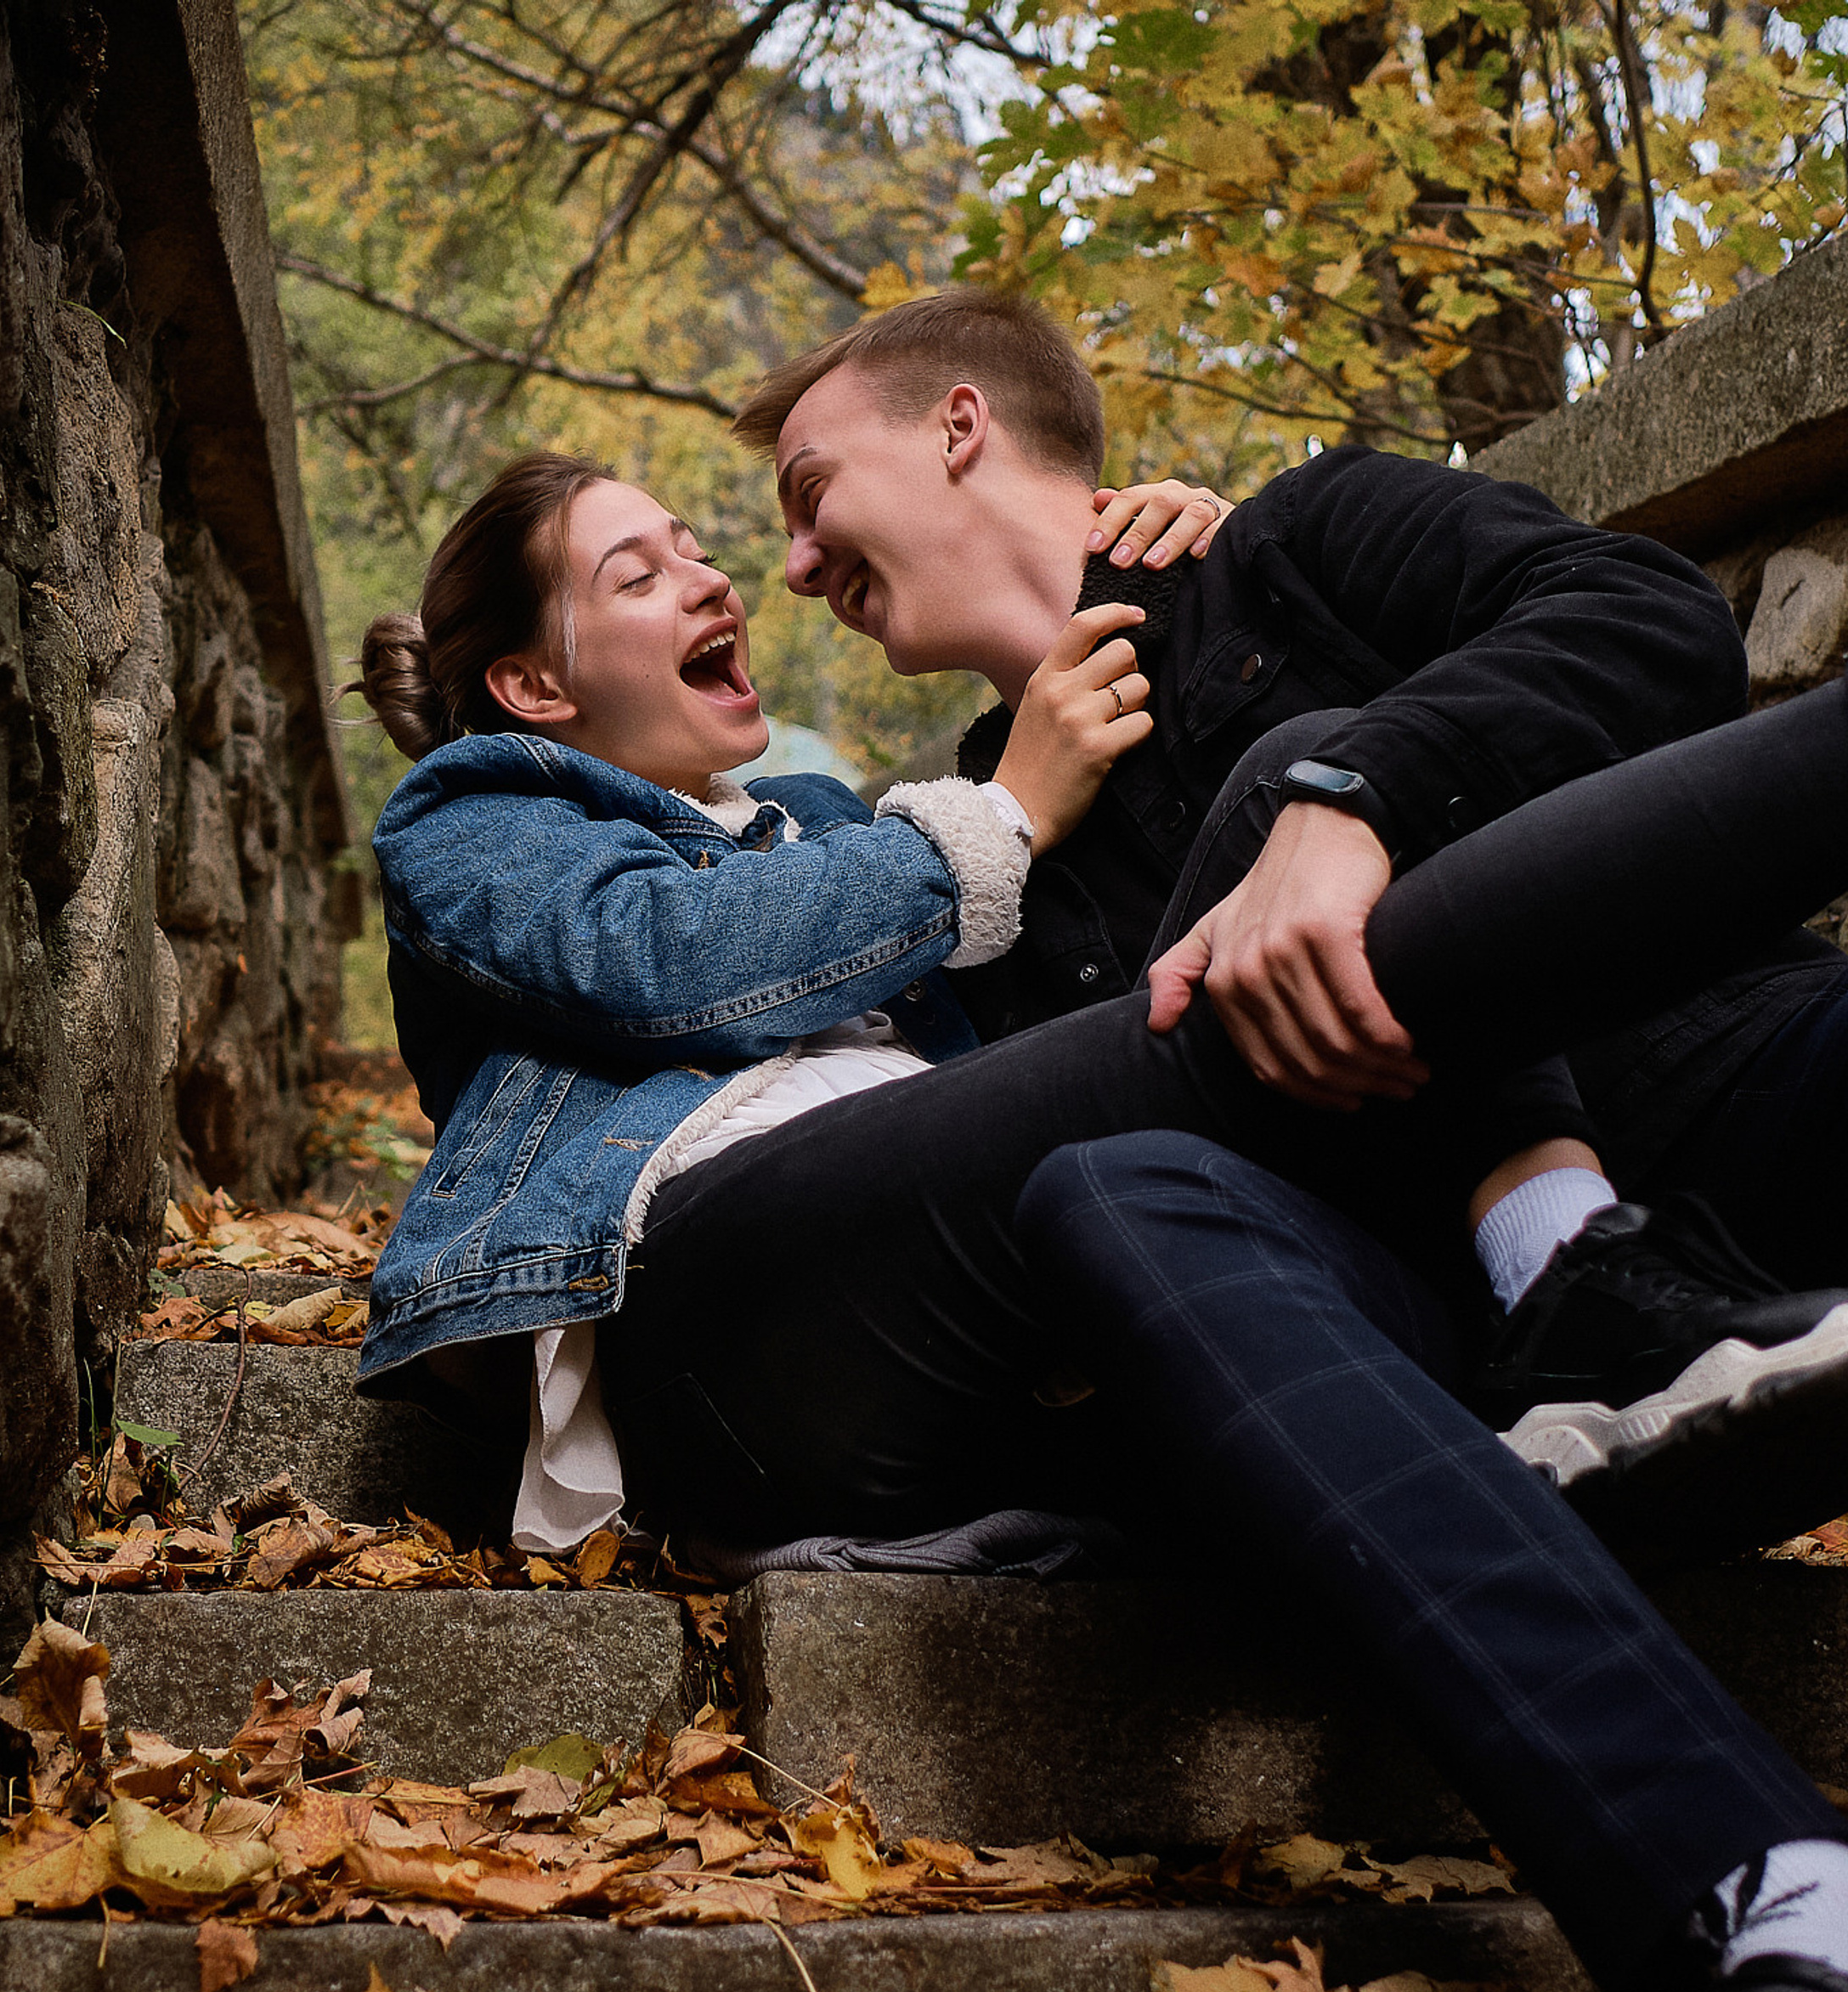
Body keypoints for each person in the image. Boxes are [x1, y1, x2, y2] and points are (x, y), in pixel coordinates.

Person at [351, 449, 1848, 1992]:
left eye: (698, 546)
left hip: (974, 1343)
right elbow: (669, 965)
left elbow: (1081, 961)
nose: (712, 577)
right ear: (532, 682)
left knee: (1128, 1166)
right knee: (1236, 975)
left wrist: (1163, 573)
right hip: (718, 1290)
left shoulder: (844, 821)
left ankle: (1770, 1895)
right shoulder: (478, 815)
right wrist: (1011, 810)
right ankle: (1575, 1268)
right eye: (638, 570)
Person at [733, 290, 1848, 1464]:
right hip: (1440, 1332)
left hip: (1733, 1078)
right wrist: (1010, 817)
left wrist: (1355, 796)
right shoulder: (980, 877)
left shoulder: (1296, 544)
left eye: (812, 496)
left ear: (960, 427)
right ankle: (1572, 1306)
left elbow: (1651, 626)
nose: (798, 571)